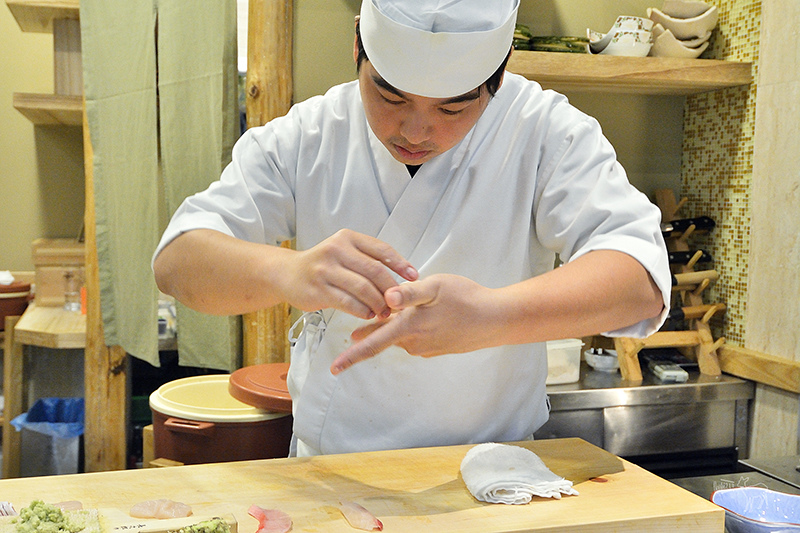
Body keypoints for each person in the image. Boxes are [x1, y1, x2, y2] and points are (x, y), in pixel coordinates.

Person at [153, 0, 671, 457]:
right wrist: (287, 272)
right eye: (391, 95)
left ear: (498, 74)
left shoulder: (543, 131)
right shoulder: (312, 134)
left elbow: (640, 284)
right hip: (334, 473)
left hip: (488, 478)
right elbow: (179, 262)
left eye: (453, 106)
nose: (416, 132)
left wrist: (490, 316)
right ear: (358, 45)